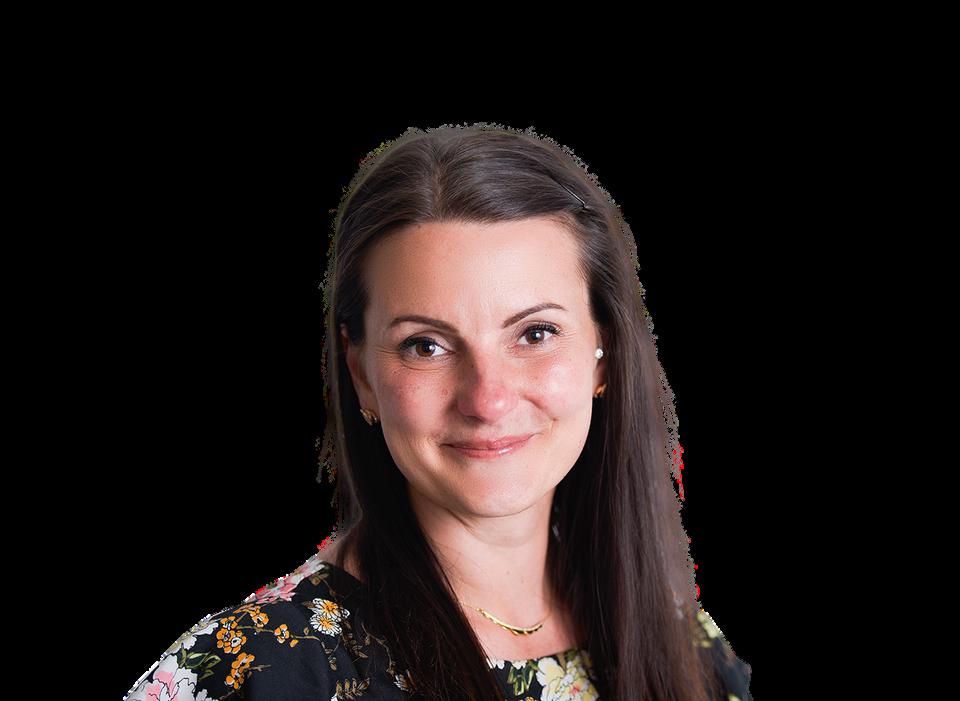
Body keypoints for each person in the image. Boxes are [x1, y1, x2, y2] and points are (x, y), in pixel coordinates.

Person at [124, 123, 753, 700]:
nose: (488, 399)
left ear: (602, 356)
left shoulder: (679, 639)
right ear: (361, 374)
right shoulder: (257, 672)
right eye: (426, 345)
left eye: (535, 334)